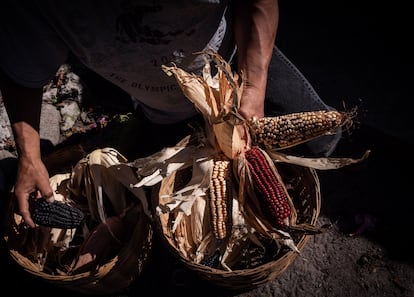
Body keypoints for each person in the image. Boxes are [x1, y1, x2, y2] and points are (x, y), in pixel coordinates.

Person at [0, 0, 340, 228]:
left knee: (319, 144)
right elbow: (19, 68)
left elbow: (258, 3)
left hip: (235, 69)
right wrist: (30, 157)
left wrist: (253, 89)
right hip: (157, 104)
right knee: (161, 203)